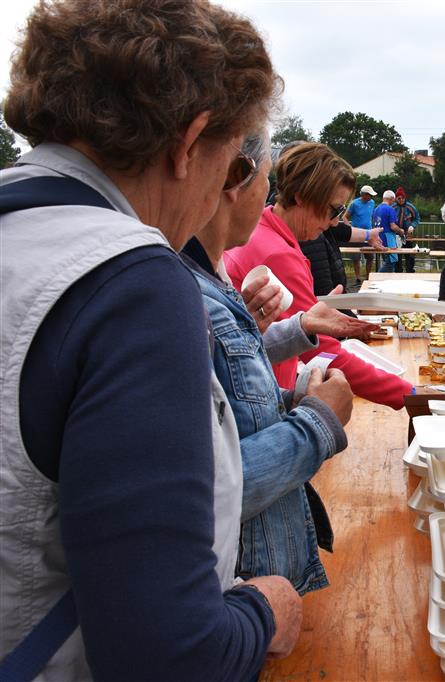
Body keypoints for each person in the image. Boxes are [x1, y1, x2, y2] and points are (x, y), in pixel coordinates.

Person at [0, 1, 300, 678]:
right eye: (231, 164)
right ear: (191, 143)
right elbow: (169, 657)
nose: (221, 194)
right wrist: (265, 610)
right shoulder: (131, 282)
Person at [183, 130, 372, 594]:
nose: (271, 194)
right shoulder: (179, 292)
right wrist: (319, 420)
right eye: (268, 178)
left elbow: (227, 394)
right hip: (248, 584)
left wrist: (296, 330)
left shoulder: (205, 276)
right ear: (236, 178)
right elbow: (209, 492)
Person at [224, 143, 413, 408]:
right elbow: (322, 351)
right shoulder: (277, 254)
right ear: (302, 197)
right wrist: (408, 394)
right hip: (262, 396)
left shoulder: (266, 232)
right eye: (334, 210)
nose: (335, 222)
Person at [343, 184, 377, 282]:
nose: (371, 197)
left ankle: (368, 276)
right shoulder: (354, 203)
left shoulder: (372, 202)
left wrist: (374, 228)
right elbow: (345, 217)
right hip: (356, 235)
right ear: (363, 194)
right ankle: (358, 277)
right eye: (369, 195)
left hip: (369, 234)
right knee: (356, 257)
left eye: (371, 195)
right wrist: (350, 228)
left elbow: (371, 216)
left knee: (370, 256)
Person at [374, 189, 403, 273]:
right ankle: (375, 277)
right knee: (390, 263)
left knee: (386, 262)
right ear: (391, 198)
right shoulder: (390, 209)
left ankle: (384, 279)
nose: (393, 202)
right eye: (393, 200)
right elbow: (393, 226)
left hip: (379, 237)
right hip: (388, 238)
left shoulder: (376, 209)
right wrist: (401, 231)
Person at [394, 187, 420, 273]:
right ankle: (398, 272)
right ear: (396, 198)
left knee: (409, 254)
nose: (401, 200)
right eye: (399, 198)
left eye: (403, 198)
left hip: (408, 235)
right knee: (398, 254)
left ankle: (410, 271)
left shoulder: (410, 207)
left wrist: (412, 226)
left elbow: (417, 218)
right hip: (396, 235)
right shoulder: (392, 207)